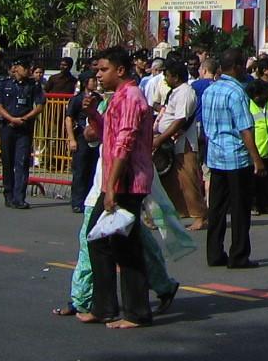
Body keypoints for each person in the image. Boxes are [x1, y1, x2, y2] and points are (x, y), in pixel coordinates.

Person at [85, 46, 155, 328]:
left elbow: (124, 145)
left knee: (125, 247)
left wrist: (112, 186)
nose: (99, 75)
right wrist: (93, 114)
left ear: (120, 70)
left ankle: (135, 312)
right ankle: (105, 307)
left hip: (126, 182)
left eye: (104, 70)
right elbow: (109, 136)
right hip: (115, 180)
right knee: (100, 239)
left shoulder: (131, 98)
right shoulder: (117, 98)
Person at [200, 50, 264, 269]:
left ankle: (214, 252)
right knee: (239, 209)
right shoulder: (237, 92)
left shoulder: (210, 90)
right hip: (236, 157)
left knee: (217, 207)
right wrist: (257, 159)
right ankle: (238, 255)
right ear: (236, 66)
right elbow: (245, 129)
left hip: (216, 155)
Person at [153, 59, 206, 230]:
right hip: (170, 143)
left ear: (175, 77)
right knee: (171, 181)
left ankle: (199, 216)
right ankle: (176, 212)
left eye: (167, 76)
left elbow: (180, 119)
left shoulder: (185, 92)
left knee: (188, 180)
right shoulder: (175, 92)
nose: (165, 79)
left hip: (184, 143)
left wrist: (161, 139)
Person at [0, 55, 43, 209]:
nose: (27, 71)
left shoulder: (33, 85)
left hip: (24, 128)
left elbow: (39, 106)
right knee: (7, 161)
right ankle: (8, 194)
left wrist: (24, 118)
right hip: (7, 126)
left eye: (28, 68)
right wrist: (12, 119)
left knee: (22, 162)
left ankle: (19, 197)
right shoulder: (4, 84)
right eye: (24, 67)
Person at [67, 72, 101, 213]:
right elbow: (69, 118)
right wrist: (71, 139)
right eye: (92, 80)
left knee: (93, 169)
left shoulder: (98, 98)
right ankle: (77, 201)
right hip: (81, 136)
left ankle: (89, 200)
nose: (95, 82)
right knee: (80, 169)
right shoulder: (77, 99)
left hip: (96, 136)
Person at [248, 79, 268, 214]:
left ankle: (265, 205)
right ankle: (253, 206)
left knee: (267, 181)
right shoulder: (248, 106)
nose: (259, 98)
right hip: (255, 151)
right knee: (253, 182)